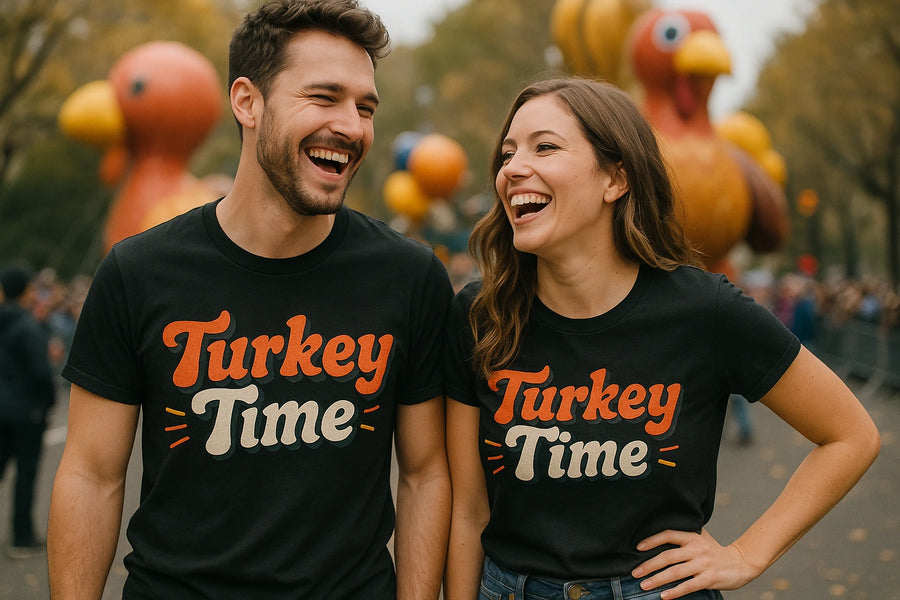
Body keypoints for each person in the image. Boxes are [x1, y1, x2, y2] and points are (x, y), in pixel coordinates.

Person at [48, 1, 452, 598]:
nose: (352, 125)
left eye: (365, 106)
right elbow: (91, 474)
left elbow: (424, 473)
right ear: (248, 102)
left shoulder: (409, 275)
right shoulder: (138, 272)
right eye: (324, 97)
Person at [443, 77, 880, 600]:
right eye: (508, 152)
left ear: (615, 179)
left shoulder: (706, 310)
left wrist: (746, 554)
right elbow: (469, 510)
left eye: (546, 147)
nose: (511, 168)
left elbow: (851, 435)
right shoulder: (479, 314)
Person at [0, 261, 56, 558]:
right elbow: (40, 372)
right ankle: (21, 537)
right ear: (25, 291)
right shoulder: (26, 325)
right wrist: (48, 404)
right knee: (25, 474)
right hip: (26, 412)